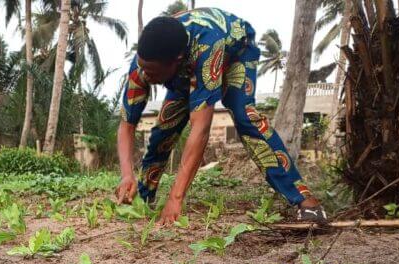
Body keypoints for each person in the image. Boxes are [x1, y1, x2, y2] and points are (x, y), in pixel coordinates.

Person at [116, 9, 328, 225]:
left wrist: (175, 197)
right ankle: (140, 197)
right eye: (143, 68)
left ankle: (305, 200)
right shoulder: (145, 62)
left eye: (151, 71)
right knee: (164, 129)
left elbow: (201, 129)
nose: (145, 75)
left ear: (175, 60)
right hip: (185, 66)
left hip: (235, 51)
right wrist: (126, 174)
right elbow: (127, 124)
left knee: (244, 115)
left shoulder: (208, 46)